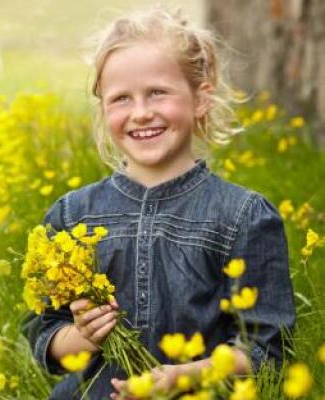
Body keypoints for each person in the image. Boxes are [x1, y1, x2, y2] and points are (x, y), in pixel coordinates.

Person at [22, 7, 295, 400]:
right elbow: (44, 333)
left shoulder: (243, 216)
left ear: (201, 98)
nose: (141, 112)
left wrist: (185, 376)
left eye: (157, 92)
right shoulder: (71, 216)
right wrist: (83, 336)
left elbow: (268, 351)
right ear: (103, 110)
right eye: (121, 99)